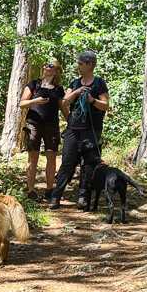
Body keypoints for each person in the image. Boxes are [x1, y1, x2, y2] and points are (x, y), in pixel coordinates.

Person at [49, 52, 110, 209]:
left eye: (81, 64)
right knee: (67, 162)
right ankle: (56, 196)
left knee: (87, 163)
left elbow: (105, 105)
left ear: (89, 65)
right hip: (73, 128)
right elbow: (63, 103)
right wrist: (76, 93)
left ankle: (83, 197)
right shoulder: (75, 83)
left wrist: (92, 100)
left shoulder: (99, 83)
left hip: (91, 128)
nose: (78, 67)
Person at [19, 61, 69, 202]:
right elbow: (22, 103)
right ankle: (31, 191)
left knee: (51, 158)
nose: (46, 67)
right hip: (33, 124)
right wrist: (36, 101)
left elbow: (63, 107)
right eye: (46, 66)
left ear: (56, 72)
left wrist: (71, 122)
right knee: (32, 159)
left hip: (52, 125)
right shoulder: (34, 85)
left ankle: (49, 190)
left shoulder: (58, 89)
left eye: (50, 66)